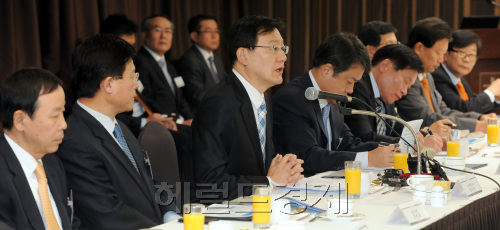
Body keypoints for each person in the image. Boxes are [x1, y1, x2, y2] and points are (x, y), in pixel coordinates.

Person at [57, 34, 177, 229]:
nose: (136, 85)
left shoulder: (118, 126)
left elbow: (149, 182)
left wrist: (171, 214)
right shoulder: (76, 142)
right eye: (133, 76)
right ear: (109, 84)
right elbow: (106, 213)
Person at [192, 15, 304, 201]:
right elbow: (209, 184)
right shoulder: (219, 103)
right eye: (273, 48)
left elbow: (256, 170)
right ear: (243, 55)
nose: (283, 57)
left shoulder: (264, 98)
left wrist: (282, 170)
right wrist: (269, 182)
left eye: (283, 49)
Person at [273, 32, 394, 176]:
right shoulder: (291, 99)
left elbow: (349, 144)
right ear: (327, 70)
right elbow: (308, 157)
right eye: (349, 82)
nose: (350, 90)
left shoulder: (332, 99)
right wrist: (367, 159)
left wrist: (393, 149)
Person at [0, 68, 79, 229]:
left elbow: (71, 222)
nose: (64, 124)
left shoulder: (52, 162)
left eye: (63, 113)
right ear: (20, 121)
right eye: (54, 115)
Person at [395, 17, 491, 136]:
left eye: (443, 54)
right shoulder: (405, 80)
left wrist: (479, 118)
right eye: (439, 53)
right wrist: (475, 125)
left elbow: (444, 110)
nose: (441, 60)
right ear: (419, 48)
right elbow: (427, 118)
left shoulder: (428, 76)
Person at [100, 13, 178, 135]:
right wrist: (145, 121)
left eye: (132, 46)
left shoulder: (129, 68)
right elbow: (111, 116)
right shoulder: (102, 75)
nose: (130, 52)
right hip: (130, 131)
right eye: (124, 46)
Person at [135, 14, 194, 126]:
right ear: (144, 34)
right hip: (161, 124)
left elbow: (180, 99)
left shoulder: (169, 65)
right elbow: (147, 99)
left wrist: (190, 119)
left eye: (167, 31)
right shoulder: (139, 62)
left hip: (178, 121)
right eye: (157, 30)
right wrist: (179, 121)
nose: (163, 36)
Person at [433, 29, 500, 113]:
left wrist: (496, 97)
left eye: (471, 55)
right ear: (446, 54)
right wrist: (491, 91)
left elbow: (472, 103)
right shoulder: (437, 76)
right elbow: (462, 109)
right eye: (461, 53)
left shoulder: (460, 79)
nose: (467, 60)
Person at [176, 14, 226, 114]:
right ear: (194, 36)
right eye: (208, 31)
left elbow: (226, 85)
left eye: (216, 31)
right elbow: (197, 95)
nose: (214, 35)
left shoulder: (216, 59)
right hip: (203, 114)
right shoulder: (189, 60)